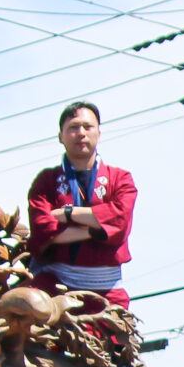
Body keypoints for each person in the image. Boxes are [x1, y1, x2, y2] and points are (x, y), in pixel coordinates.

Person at [26, 102, 136, 310]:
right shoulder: (46, 181)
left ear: (99, 133)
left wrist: (69, 214)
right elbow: (43, 229)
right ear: (61, 137)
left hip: (107, 291)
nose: (81, 133)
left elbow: (120, 222)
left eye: (88, 127)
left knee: (115, 338)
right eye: (73, 127)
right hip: (54, 284)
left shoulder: (121, 179)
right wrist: (97, 230)